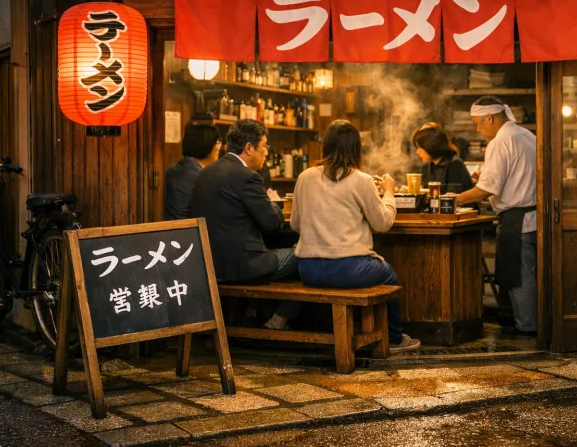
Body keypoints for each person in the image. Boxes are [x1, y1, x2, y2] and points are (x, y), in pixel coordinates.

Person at [291, 120, 421, 353]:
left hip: (308, 269)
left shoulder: (305, 176)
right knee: (389, 274)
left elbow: (295, 224)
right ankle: (393, 339)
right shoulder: (361, 180)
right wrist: (389, 193)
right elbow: (382, 224)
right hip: (349, 270)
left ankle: (329, 332)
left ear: (326, 145)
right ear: (356, 148)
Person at [190, 119, 299, 330]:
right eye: (265, 146)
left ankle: (264, 316)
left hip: (209, 264)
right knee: (306, 254)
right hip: (242, 265)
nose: (267, 152)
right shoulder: (247, 177)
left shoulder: (205, 173)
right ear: (249, 147)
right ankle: (279, 318)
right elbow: (272, 223)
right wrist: (274, 206)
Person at [454, 96, 537, 336]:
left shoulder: (501, 142)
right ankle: (522, 323)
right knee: (526, 274)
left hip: (517, 220)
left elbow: (486, 190)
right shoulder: (526, 135)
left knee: (518, 277)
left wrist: (454, 199)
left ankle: (527, 328)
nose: (478, 129)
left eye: (478, 124)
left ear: (490, 118)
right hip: (532, 216)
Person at [164, 123, 222, 220]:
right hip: (189, 231)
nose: (220, 146)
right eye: (217, 142)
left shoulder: (175, 168)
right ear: (205, 145)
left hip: (172, 230)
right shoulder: (199, 176)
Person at [412, 122, 474, 194]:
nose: (417, 152)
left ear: (432, 145)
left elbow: (454, 198)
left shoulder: (455, 164)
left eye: (420, 147)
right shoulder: (427, 166)